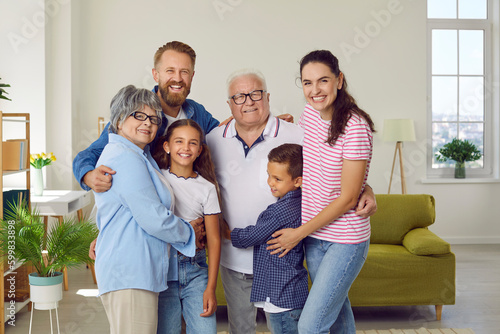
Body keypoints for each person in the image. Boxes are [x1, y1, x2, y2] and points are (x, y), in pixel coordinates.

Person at [206, 69, 377, 334]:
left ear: (268, 97)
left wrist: (365, 188)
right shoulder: (212, 140)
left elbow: (333, 169)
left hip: (282, 260)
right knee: (240, 329)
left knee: (290, 326)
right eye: (239, 97)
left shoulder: (297, 134)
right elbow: (193, 181)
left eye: (255, 94)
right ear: (229, 104)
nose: (248, 102)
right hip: (235, 259)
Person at [267, 50, 375, 334]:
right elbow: (312, 167)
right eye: (307, 83)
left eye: (323, 80)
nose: (315, 90)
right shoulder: (309, 116)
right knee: (338, 318)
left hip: (345, 241)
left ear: (339, 80)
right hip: (316, 239)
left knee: (311, 326)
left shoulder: (355, 126)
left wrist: (297, 234)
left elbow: (349, 197)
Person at [93, 85, 198, 334]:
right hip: (129, 272)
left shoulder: (138, 154)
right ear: (119, 119)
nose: (147, 123)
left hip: (137, 271)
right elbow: (153, 217)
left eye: (153, 118)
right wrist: (190, 233)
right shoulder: (124, 157)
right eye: (138, 115)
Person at [73, 41, 220, 193]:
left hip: (190, 206)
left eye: (184, 72)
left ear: (192, 76)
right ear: (156, 75)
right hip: (151, 206)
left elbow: (223, 137)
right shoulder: (136, 112)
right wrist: (88, 176)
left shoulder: (197, 112)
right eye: (170, 70)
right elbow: (90, 154)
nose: (177, 78)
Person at [222, 143, 307, 334]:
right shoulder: (301, 202)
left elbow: (252, 235)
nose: (270, 182)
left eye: (277, 179)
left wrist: (226, 233)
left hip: (282, 295)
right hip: (292, 290)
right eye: (269, 175)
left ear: (297, 181)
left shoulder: (279, 211)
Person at [152, 119, 221, 334]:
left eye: (192, 143)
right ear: (167, 146)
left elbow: (215, 240)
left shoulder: (207, 188)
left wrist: (211, 288)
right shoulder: (157, 179)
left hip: (195, 272)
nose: (185, 148)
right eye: (179, 141)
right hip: (163, 272)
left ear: (200, 150)